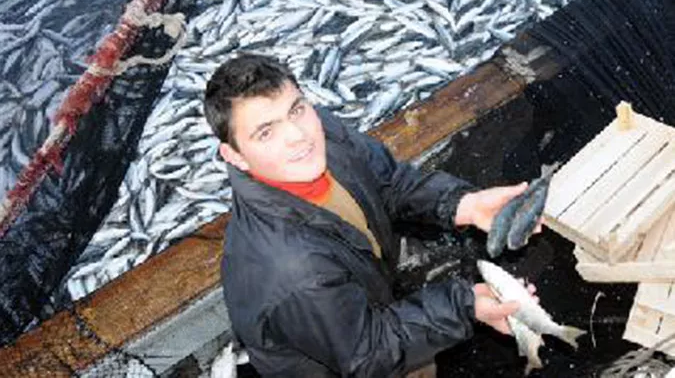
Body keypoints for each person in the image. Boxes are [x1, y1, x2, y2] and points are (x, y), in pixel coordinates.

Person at [204, 52, 538, 377]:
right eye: (266, 132)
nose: (298, 135)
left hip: (366, 309)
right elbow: (368, 355)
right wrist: (464, 306)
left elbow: (387, 181)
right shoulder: (293, 269)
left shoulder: (321, 133)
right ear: (234, 156)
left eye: (296, 109)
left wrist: (463, 205)